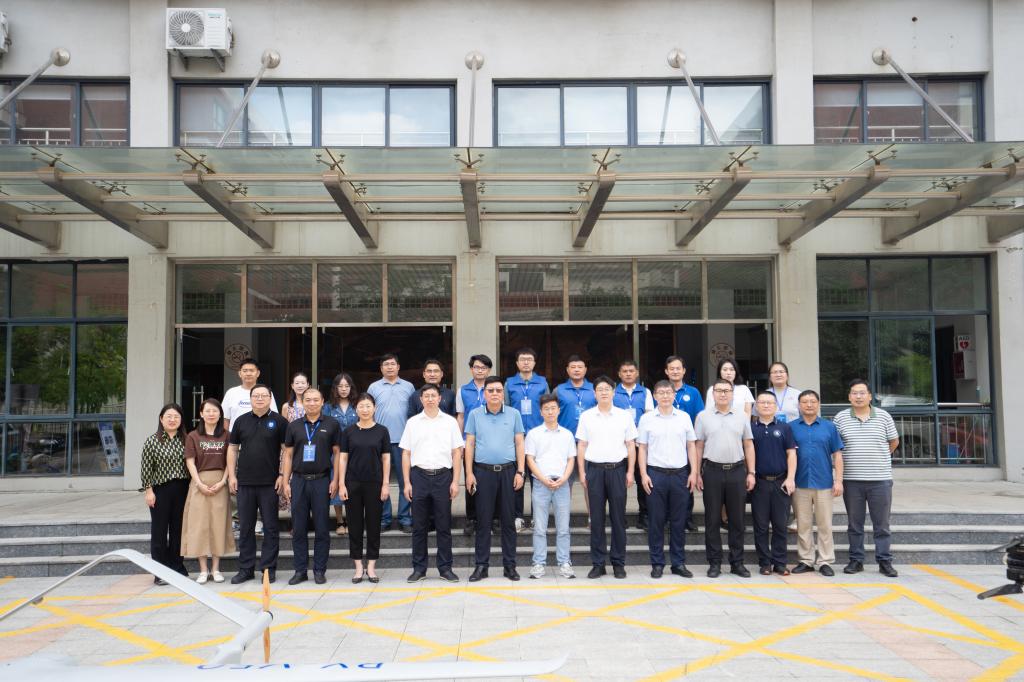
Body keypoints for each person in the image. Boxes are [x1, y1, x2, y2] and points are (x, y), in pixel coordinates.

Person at [832, 379, 900, 578]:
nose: (858, 396)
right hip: (852, 480)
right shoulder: (841, 418)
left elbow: (894, 441)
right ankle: (856, 560)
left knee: (882, 524)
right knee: (855, 524)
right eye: (854, 393)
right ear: (849, 397)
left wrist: (880, 457)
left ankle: (884, 561)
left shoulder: (884, 416)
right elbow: (836, 448)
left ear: (870, 396)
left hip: (880, 480)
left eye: (862, 393)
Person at [464, 376, 526, 582]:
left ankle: (510, 566)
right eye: (490, 390)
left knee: (508, 521)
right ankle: (481, 566)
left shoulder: (514, 414)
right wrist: (469, 473)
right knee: (483, 521)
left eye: (498, 390)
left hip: (508, 473)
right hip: (482, 473)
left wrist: (521, 472)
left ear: (503, 393)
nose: (495, 394)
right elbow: (469, 445)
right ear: (484, 393)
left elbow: (520, 443)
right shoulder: (475, 414)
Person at [402, 384, 465, 583]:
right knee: (419, 526)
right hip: (419, 477)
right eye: (426, 396)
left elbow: (457, 453)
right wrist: (407, 482)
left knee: (443, 526)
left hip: (443, 477)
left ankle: (445, 568)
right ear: (421, 400)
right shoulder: (413, 423)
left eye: (433, 396)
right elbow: (406, 453)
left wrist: (455, 481)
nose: (430, 399)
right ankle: (419, 569)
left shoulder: (450, 422)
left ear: (440, 399)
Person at [576, 375, 637, 580]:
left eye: (607, 389)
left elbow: (631, 445)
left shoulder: (624, 416)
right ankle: (598, 563)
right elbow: (581, 445)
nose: (603, 392)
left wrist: (630, 471)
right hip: (594, 471)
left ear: (613, 392)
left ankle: (618, 563)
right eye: (600, 389)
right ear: (594, 393)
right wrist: (582, 472)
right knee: (596, 519)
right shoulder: (587, 416)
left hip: (618, 470)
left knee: (619, 518)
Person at [694, 379, 755, 578]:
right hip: (712, 471)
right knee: (712, 519)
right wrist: (697, 473)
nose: (722, 394)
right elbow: (698, 446)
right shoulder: (703, 417)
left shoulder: (742, 416)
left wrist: (751, 472)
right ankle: (714, 563)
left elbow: (748, 445)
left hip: (737, 471)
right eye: (719, 390)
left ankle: (737, 562)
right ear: (712, 394)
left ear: (732, 394)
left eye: (726, 391)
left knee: (737, 520)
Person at [637, 380, 697, 579]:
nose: (665, 396)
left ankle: (678, 563)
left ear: (674, 395)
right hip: (656, 474)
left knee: (679, 521)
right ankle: (657, 563)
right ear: (655, 396)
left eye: (668, 392)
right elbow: (642, 448)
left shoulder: (684, 417)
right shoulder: (646, 419)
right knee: (656, 521)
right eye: (661, 393)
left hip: (680, 474)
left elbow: (691, 446)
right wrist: (643, 474)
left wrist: (694, 472)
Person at [227, 384, 285, 584]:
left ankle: (268, 569)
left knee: (270, 527)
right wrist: (232, 476)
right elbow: (232, 449)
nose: (260, 399)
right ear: (250, 399)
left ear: (270, 398)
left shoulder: (279, 421)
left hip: (270, 483)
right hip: (244, 482)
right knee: (245, 527)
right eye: (256, 396)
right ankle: (246, 569)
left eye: (264, 396)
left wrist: (282, 474)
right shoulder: (241, 421)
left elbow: (287, 451)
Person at [282, 388, 340, 585]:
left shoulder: (332, 424)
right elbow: (288, 455)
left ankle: (319, 570)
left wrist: (335, 480)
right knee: (299, 528)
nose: (312, 403)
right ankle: (300, 570)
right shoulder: (294, 426)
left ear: (322, 401)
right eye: (308, 400)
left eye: (316, 400)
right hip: (298, 481)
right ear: (303, 402)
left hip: (321, 480)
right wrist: (286, 481)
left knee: (322, 528)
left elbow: (337, 454)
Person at [789, 389, 843, 577]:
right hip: (800, 483)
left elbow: (837, 455)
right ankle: (806, 560)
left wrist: (839, 480)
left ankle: (825, 561)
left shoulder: (829, 427)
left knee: (824, 525)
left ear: (818, 404)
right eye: (805, 402)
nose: (809, 405)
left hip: (824, 483)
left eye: (812, 401)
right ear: (799, 405)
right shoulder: (791, 427)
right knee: (803, 525)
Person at [337, 393, 391, 584]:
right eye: (361, 406)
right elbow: (343, 458)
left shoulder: (382, 431)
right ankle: (358, 567)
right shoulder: (348, 431)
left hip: (375, 483)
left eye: (368, 406)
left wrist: (386, 484)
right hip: (353, 483)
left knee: (374, 525)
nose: (365, 409)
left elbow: (386, 458)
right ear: (356, 409)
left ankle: (371, 567)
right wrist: (341, 484)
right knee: (355, 526)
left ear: (374, 408)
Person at [181, 398, 235, 584]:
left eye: (215, 411)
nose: (211, 414)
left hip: (220, 482)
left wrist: (223, 481)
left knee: (218, 525)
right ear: (201, 414)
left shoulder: (227, 435)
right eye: (208, 411)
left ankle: (216, 568)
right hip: (199, 482)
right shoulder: (193, 436)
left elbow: (230, 461)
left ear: (220, 414)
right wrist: (199, 483)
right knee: (200, 526)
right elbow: (190, 461)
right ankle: (203, 570)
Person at [525, 394, 577, 580]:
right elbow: (530, 459)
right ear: (541, 412)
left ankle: (564, 562)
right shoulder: (534, 434)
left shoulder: (567, 434)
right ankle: (538, 563)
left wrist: (564, 479)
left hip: (562, 484)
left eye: (553, 408)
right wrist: (543, 479)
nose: (550, 412)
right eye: (546, 409)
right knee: (540, 527)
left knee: (563, 528)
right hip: (541, 484)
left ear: (558, 410)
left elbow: (571, 459)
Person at [141, 403, 190, 585]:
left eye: (176, 416)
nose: (172, 419)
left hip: (182, 489)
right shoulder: (152, 441)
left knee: (178, 530)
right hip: (160, 490)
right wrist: (149, 491)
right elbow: (146, 469)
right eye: (169, 416)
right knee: (159, 531)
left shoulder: (186, 440)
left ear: (181, 420)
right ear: (161, 419)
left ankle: (177, 567)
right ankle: (160, 572)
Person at [749, 390, 797, 577]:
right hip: (759, 483)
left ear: (776, 406)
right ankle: (764, 563)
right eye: (762, 402)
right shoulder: (750, 428)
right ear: (756, 406)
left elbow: (791, 454)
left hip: (780, 482)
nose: (766, 405)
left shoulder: (785, 428)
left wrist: (790, 478)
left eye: (770, 402)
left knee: (780, 525)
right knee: (760, 526)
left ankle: (780, 563)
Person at [368, 354, 416, 534]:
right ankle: (384, 518)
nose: (389, 367)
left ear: (398, 366)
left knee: (406, 481)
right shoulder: (374, 387)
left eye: (392, 364)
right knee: (382, 481)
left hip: (404, 442)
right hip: (380, 441)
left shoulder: (408, 386)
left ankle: (405, 518)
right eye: (386, 364)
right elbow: (368, 412)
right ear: (381, 368)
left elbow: (413, 412)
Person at [504, 347, 550, 532]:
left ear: (534, 363)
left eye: (529, 359)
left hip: (538, 437)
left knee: (538, 479)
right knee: (518, 478)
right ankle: (518, 517)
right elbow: (506, 409)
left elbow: (548, 407)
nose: (525, 362)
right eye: (522, 359)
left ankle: (537, 516)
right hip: (516, 437)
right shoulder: (509, 383)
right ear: (517, 363)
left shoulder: (542, 382)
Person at [665, 355, 704, 532]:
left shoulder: (693, 392)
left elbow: (699, 417)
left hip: (688, 443)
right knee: (666, 483)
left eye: (678, 368)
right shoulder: (661, 390)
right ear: (666, 371)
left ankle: (687, 518)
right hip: (666, 442)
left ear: (684, 371)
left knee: (688, 480)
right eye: (671, 368)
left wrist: (696, 441)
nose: (675, 371)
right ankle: (667, 518)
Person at [614, 359, 654, 530]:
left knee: (642, 480)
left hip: (640, 443)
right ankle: (620, 517)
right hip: (619, 443)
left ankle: (644, 516)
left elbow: (650, 417)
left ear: (637, 373)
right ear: (619, 374)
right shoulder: (613, 393)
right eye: (625, 371)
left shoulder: (645, 392)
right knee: (619, 483)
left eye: (631, 371)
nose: (628, 374)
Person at [456, 354, 492, 536]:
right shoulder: (463, 390)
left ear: (488, 370)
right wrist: (459, 443)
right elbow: (461, 417)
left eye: (483, 368)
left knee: (492, 481)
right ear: (471, 369)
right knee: (471, 480)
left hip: (490, 442)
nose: (480, 370)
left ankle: (494, 518)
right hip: (469, 443)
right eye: (476, 367)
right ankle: (472, 519)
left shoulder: (494, 389)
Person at [324, 373, 358, 536]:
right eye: (340, 386)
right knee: (336, 482)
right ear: (335, 388)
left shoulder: (357, 404)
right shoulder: (328, 407)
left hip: (355, 450)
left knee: (352, 485)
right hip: (335, 450)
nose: (344, 389)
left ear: (351, 388)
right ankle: (339, 520)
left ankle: (351, 519)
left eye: (347, 386)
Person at [222, 359, 278, 430]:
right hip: (236, 435)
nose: (248, 374)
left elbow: (273, 416)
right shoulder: (231, 393)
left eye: (251, 370)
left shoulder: (266, 392)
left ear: (258, 373)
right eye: (245, 371)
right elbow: (225, 418)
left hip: (261, 434)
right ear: (240, 373)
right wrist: (227, 435)